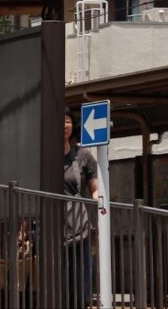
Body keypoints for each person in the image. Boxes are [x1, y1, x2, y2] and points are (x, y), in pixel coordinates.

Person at [63, 107, 99, 308]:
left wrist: (100, 210)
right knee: (58, 276)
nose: (64, 125)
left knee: (82, 270)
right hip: (51, 225)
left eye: (67, 121)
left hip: (78, 224)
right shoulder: (44, 153)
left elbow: (94, 190)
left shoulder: (83, 155)